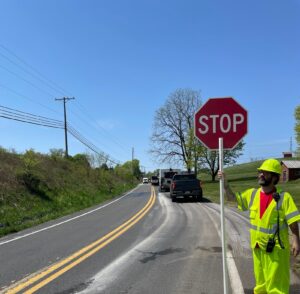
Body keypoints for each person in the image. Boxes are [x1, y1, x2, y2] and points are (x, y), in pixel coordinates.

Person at [218, 158, 300, 294]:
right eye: (260, 172)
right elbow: (232, 198)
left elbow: (292, 220)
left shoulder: (284, 197)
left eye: (265, 173)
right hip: (258, 248)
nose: (261, 174)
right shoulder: (252, 194)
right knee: (260, 285)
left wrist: (296, 239)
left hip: (276, 251)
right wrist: (225, 184)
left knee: (276, 287)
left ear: (274, 177)